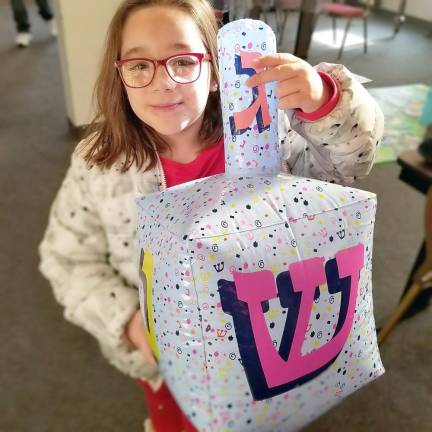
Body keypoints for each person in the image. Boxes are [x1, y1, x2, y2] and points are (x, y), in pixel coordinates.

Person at [38, 0, 384, 431]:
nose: (162, 82)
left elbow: (350, 164)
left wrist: (323, 101)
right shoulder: (100, 163)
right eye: (140, 66)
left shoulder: (270, 136)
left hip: (268, 341)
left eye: (183, 61)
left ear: (217, 71)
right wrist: (126, 323)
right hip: (167, 356)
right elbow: (66, 258)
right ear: (120, 74)